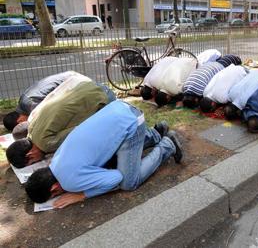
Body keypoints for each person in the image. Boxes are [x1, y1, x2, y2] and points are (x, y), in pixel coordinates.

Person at [24, 100, 183, 208]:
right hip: (120, 109)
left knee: (129, 183)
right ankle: (156, 133)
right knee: (112, 157)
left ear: (54, 189)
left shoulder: (68, 183)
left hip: (131, 124)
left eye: (55, 196)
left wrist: (82, 194)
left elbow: (117, 178)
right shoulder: (55, 160)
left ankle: (167, 145)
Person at [6, 80, 116, 168]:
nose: (37, 161)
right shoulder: (31, 123)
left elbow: (80, 131)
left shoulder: (45, 144)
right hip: (87, 86)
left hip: (102, 97)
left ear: (30, 155)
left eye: (33, 163)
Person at [3, 71, 78, 131]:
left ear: (20, 121)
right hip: (70, 78)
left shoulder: (30, 105)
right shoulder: (23, 103)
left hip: (74, 82)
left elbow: (49, 119)